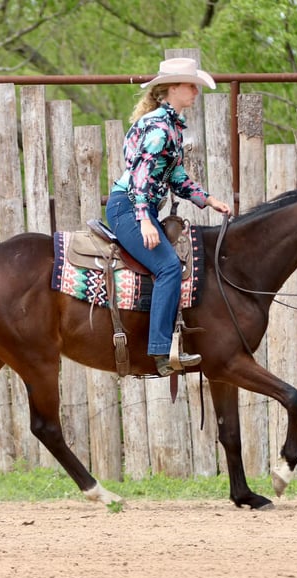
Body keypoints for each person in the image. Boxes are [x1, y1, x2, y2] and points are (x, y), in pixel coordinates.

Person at [106, 57, 232, 377]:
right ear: (172, 88)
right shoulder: (160, 128)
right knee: (168, 267)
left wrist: (208, 200)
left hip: (139, 206)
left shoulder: (170, 126)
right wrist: (144, 219)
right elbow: (141, 175)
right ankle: (161, 352)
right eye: (191, 86)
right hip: (129, 207)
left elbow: (174, 175)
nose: (195, 92)